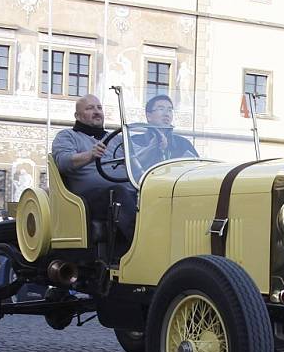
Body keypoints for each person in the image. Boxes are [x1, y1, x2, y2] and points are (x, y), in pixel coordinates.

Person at [51, 94, 137, 241]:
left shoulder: (117, 139)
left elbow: (137, 161)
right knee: (118, 192)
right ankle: (143, 245)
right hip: (89, 198)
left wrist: (155, 147)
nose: (97, 111)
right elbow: (63, 162)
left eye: (99, 108)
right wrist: (90, 155)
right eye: (90, 108)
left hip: (128, 191)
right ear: (77, 115)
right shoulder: (67, 136)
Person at [133, 94, 198, 167]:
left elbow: (197, 169)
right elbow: (133, 168)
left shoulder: (183, 144)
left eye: (170, 110)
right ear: (149, 116)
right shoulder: (134, 142)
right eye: (161, 109)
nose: (166, 114)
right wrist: (153, 146)